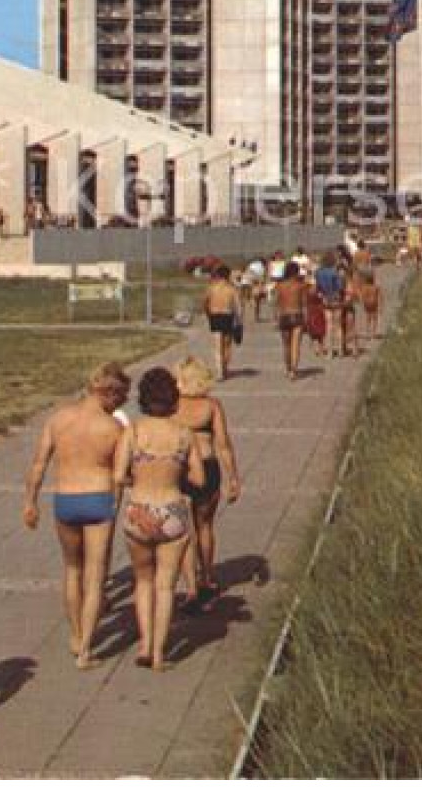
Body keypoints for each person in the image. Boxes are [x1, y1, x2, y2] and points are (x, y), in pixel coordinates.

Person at [23, 361, 129, 668]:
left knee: (72, 569)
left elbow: (39, 464)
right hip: (99, 499)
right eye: (120, 398)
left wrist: (30, 502)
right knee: (96, 577)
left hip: (65, 499)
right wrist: (117, 504)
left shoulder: (59, 419)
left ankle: (75, 632)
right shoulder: (114, 428)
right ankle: (86, 649)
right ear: (110, 393)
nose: (119, 405)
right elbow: (121, 475)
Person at [111, 367, 205, 670]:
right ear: (173, 399)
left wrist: (136, 481)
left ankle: (144, 644)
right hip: (172, 510)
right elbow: (200, 479)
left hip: (139, 509)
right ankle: (160, 654)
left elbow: (117, 475)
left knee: (143, 581)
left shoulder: (133, 432)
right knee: (166, 585)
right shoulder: (183, 434)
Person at [171, 358, 243, 612]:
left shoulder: (171, 406)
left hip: (180, 470)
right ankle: (207, 577)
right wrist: (233, 477)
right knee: (205, 526)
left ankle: (190, 587)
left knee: (183, 530)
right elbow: (223, 445)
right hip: (208, 465)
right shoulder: (211, 406)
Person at [201, 264, 242, 380]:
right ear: (228, 276)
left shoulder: (211, 288)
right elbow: (238, 306)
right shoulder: (232, 289)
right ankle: (225, 367)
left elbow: (205, 302)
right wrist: (239, 321)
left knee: (218, 345)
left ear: (218, 275)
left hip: (215, 316)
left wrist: (207, 313)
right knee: (227, 345)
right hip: (227, 316)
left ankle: (220, 371)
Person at [274, 260, 309, 380]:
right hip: (297, 314)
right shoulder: (300, 285)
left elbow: (277, 303)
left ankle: (288, 367)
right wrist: (307, 318)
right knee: (295, 345)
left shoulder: (279, 286)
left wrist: (276, 318)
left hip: (284, 315)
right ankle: (293, 371)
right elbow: (304, 304)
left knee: (286, 345)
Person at [313, 252, 348, 359]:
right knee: (338, 326)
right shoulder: (335, 272)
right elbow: (340, 287)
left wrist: (322, 296)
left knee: (328, 326)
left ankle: (330, 352)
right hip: (336, 299)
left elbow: (317, 289)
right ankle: (341, 350)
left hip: (325, 300)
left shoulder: (318, 273)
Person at [244, 256, 268, 322]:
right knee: (257, 302)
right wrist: (261, 286)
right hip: (255, 284)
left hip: (248, 282)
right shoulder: (261, 268)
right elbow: (260, 278)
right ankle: (256, 316)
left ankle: (253, 315)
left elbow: (248, 273)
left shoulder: (252, 264)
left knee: (253, 300)